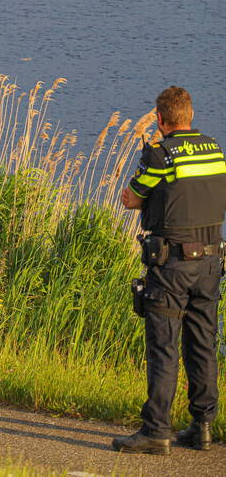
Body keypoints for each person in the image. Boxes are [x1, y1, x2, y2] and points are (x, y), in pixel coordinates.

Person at [113, 86, 226, 455]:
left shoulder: (160, 155)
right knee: (202, 344)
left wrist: (145, 199)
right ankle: (202, 427)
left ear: (160, 120)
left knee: (163, 346)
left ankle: (156, 431)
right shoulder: (214, 149)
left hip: (171, 264)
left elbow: (132, 197)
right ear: (189, 116)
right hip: (210, 262)